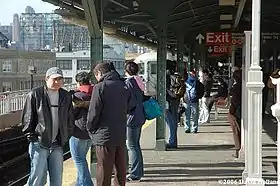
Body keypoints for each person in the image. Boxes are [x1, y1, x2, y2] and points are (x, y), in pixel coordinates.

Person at [22, 67, 73, 186]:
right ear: (46, 79)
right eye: (54, 79)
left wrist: (66, 135)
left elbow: (70, 118)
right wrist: (32, 138)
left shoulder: (65, 96)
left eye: (60, 79)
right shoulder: (35, 94)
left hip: (57, 144)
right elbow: (27, 118)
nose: (57, 82)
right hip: (39, 143)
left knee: (57, 178)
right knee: (37, 177)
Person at [87, 62, 136, 186]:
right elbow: (132, 105)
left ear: (99, 73)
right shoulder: (124, 85)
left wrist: (90, 129)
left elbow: (94, 112)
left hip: (104, 136)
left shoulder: (100, 87)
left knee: (104, 170)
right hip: (120, 134)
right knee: (120, 170)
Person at [69, 72, 94, 186]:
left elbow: (71, 115)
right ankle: (79, 184)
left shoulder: (78, 97)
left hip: (78, 132)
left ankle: (87, 184)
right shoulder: (95, 94)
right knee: (82, 159)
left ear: (78, 82)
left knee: (79, 160)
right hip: (91, 133)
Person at [124, 61, 146, 182]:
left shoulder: (128, 83)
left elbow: (129, 102)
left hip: (131, 118)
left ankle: (135, 174)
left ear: (126, 71)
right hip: (139, 116)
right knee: (136, 145)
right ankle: (139, 171)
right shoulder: (139, 81)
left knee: (131, 146)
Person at [228, 70, 242, 158]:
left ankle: (238, 150)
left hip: (236, 111)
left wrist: (231, 112)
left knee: (236, 131)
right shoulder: (243, 86)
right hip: (240, 109)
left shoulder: (236, 87)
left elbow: (234, 100)